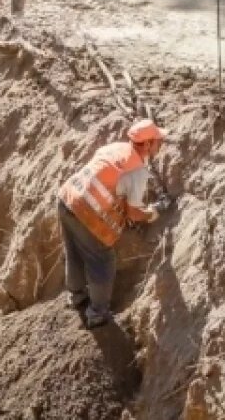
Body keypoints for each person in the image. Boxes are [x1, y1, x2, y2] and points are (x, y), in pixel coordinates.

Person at [56, 119, 169, 328]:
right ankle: (97, 314)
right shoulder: (136, 171)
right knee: (102, 261)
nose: (160, 144)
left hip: (67, 198)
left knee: (74, 252)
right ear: (146, 145)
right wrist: (153, 212)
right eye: (157, 141)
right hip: (87, 213)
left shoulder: (116, 148)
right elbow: (134, 214)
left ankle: (77, 296)